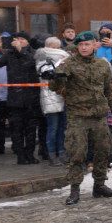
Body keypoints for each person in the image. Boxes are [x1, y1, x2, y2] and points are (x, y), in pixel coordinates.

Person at [45, 31, 112, 205]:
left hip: (99, 116)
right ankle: (74, 189)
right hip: (78, 116)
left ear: (94, 45)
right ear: (77, 47)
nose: (84, 48)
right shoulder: (68, 64)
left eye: (87, 44)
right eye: (80, 45)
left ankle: (99, 185)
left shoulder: (102, 65)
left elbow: (109, 89)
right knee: (77, 153)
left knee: (102, 151)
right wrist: (55, 78)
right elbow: (55, 86)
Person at [0, 31, 41, 165]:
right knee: (16, 129)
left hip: (31, 98)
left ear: (28, 41)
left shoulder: (34, 53)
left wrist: (21, 50)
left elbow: (31, 63)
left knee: (30, 130)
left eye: (22, 39)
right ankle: (20, 156)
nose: (19, 41)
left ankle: (30, 154)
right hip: (14, 98)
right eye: (17, 39)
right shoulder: (9, 54)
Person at [35, 37, 69, 165]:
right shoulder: (42, 56)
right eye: (54, 48)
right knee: (53, 128)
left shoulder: (65, 56)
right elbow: (46, 73)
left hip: (63, 95)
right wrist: (61, 62)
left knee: (62, 128)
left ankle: (62, 152)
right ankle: (52, 155)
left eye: (58, 48)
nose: (56, 50)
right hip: (49, 95)